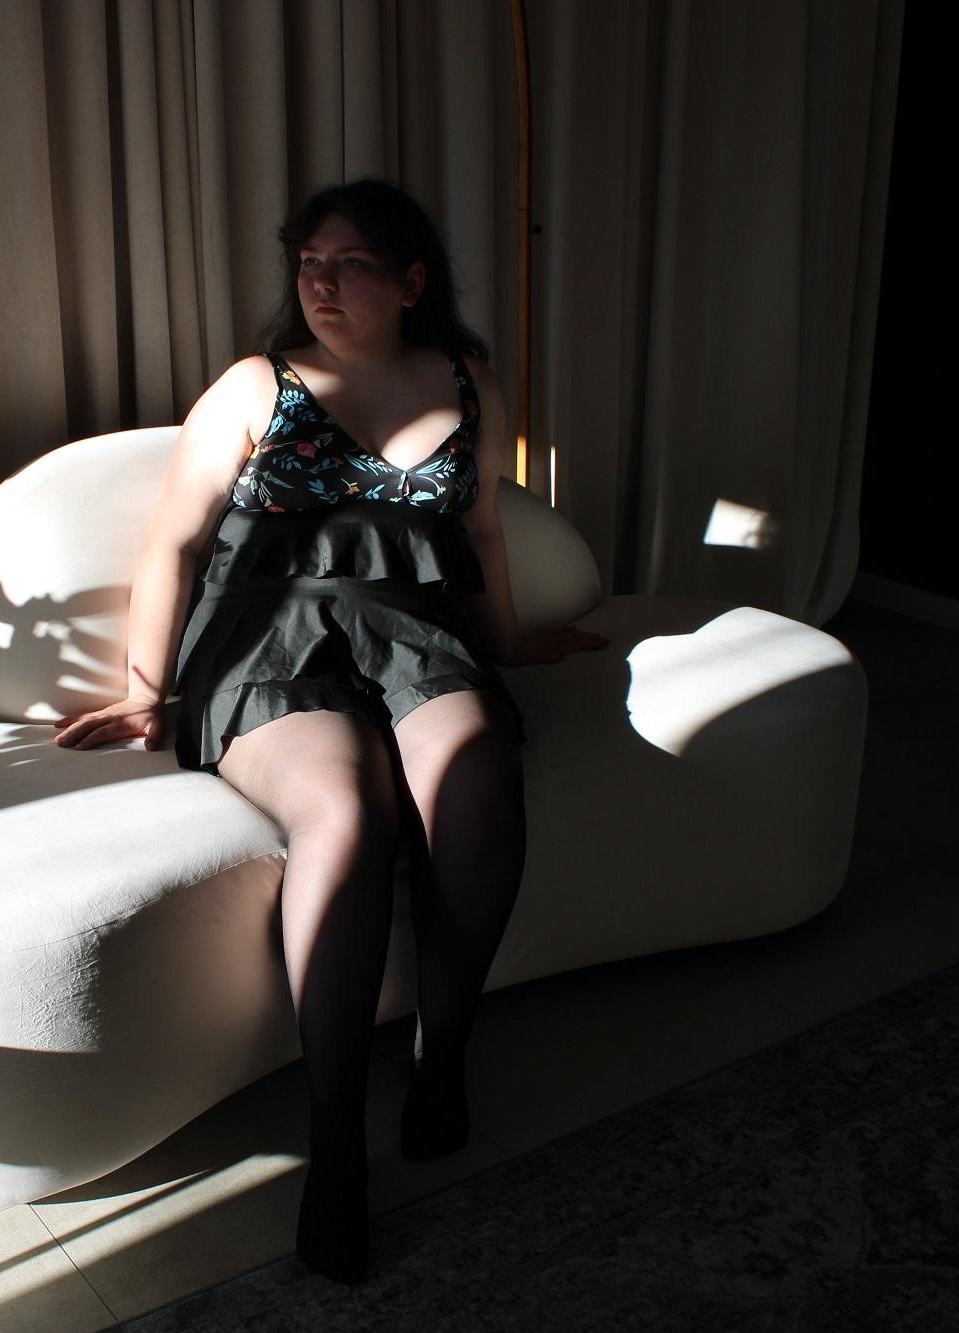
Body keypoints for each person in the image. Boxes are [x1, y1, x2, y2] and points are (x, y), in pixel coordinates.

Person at [52, 179, 606, 1283]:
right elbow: (174, 544)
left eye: (347, 262)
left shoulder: (464, 379)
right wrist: (147, 689)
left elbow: (483, 533)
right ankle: (337, 1140)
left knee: (479, 781)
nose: (318, 281)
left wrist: (505, 643)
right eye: (306, 261)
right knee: (346, 813)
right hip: (268, 639)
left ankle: (441, 1055)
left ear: (409, 280)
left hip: (415, 632)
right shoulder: (256, 386)